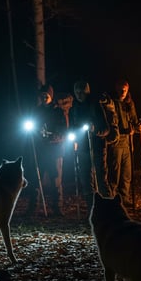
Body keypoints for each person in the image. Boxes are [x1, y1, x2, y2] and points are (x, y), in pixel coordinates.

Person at [26, 84, 71, 217]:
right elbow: (32, 129)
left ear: (51, 96)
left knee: (55, 179)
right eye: (42, 95)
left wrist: (53, 136)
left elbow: (64, 131)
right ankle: (33, 208)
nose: (44, 97)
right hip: (40, 151)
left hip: (55, 151)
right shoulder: (37, 111)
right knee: (35, 178)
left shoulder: (59, 112)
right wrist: (35, 134)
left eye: (47, 95)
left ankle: (57, 208)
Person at [68, 80, 112, 216]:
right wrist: (73, 137)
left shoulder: (95, 106)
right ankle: (92, 211)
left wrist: (95, 130)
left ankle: (110, 209)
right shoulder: (74, 108)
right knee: (86, 180)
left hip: (97, 147)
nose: (79, 95)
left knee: (100, 179)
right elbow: (73, 127)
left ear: (87, 92)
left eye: (82, 92)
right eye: (77, 92)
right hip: (82, 148)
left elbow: (106, 129)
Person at [107, 78, 141, 207]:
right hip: (116, 143)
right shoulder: (111, 103)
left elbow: (133, 120)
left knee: (126, 174)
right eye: (121, 89)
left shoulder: (129, 103)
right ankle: (112, 199)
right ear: (116, 89)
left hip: (128, 143)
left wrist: (137, 127)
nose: (123, 91)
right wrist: (124, 130)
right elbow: (111, 123)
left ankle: (125, 198)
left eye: (125, 89)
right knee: (114, 173)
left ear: (128, 90)